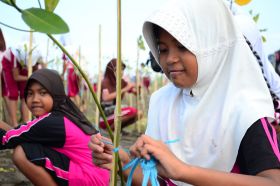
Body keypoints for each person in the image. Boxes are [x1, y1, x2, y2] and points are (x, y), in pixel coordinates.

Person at [89, 0, 280, 185]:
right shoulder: (162, 103)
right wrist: (121, 163)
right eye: (162, 49)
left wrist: (183, 171)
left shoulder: (244, 110)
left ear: (212, 47)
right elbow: (159, 180)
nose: (170, 58)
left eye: (182, 46)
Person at [0, 68, 109, 185]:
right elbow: (16, 134)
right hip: (100, 177)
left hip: (88, 178)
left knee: (21, 153)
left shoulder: (50, 122)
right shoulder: (64, 113)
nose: (35, 99)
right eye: (30, 94)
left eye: (42, 93)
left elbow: (5, 140)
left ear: (55, 94)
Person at [99, 58, 141, 133]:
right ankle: (109, 130)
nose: (121, 72)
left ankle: (116, 129)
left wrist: (138, 87)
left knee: (139, 113)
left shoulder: (121, 82)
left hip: (115, 113)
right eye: (118, 69)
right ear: (111, 70)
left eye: (122, 70)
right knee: (132, 111)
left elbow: (135, 93)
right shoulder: (106, 81)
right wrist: (125, 89)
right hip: (105, 116)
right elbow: (105, 98)